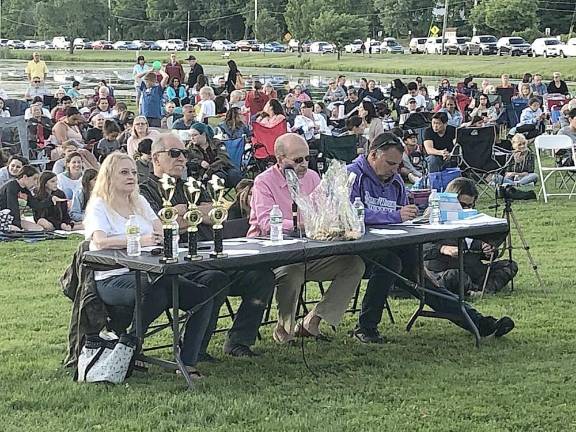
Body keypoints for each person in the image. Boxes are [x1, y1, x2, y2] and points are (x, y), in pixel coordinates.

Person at [139, 134, 275, 359]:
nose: (182, 158)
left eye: (184, 153)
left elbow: (216, 214)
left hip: (212, 253)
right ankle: (196, 348)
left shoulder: (191, 185)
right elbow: (162, 227)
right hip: (178, 264)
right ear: (156, 158)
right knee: (214, 280)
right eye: (175, 153)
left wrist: (186, 212)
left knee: (262, 276)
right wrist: (193, 214)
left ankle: (239, 341)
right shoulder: (146, 190)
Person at [84, 152, 216, 375]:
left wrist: (176, 228)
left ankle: (186, 360)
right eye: (124, 172)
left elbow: (161, 227)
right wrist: (137, 240)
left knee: (202, 295)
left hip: (151, 270)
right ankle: (129, 346)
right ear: (109, 176)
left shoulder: (140, 201)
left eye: (134, 172)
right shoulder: (99, 205)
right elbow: (100, 241)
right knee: (160, 289)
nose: (131, 177)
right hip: (112, 277)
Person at [248, 133, 365, 343]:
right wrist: (301, 226)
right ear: (280, 159)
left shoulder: (312, 177)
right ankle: (284, 329)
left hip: (312, 250)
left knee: (354, 265)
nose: (304, 164)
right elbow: (266, 223)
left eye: (307, 158)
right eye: (298, 160)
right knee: (291, 274)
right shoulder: (263, 182)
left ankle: (313, 321)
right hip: (275, 256)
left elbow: (324, 213)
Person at [425, 177, 518, 297]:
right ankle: (475, 290)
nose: (466, 209)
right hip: (443, 271)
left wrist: (488, 250)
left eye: (470, 206)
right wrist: (443, 248)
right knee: (454, 276)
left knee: (509, 265)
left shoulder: (474, 220)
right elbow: (420, 249)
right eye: (462, 205)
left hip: (473, 269)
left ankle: (480, 291)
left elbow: (488, 253)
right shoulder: (433, 218)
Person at [187, 123, 241, 187]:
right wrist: (200, 162)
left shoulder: (217, 143)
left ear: (204, 134)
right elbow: (187, 161)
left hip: (222, 169)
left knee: (234, 175)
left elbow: (223, 159)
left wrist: (210, 171)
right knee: (216, 177)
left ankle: (241, 195)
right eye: (190, 136)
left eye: (195, 135)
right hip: (202, 174)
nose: (192, 138)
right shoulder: (190, 148)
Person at [0, 165, 49, 231]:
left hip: (11, 218)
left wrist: (51, 200)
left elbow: (35, 205)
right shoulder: (11, 186)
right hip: (3, 217)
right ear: (25, 177)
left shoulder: (25, 189)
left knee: (39, 229)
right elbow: (12, 208)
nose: (35, 183)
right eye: (34, 179)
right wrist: (18, 226)